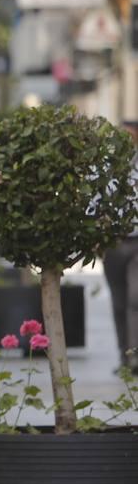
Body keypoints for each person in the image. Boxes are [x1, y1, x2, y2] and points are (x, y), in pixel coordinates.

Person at [103, 120, 138, 373]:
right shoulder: (107, 167)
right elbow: (95, 200)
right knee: (118, 302)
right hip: (114, 242)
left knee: (136, 298)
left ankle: (135, 356)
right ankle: (124, 358)